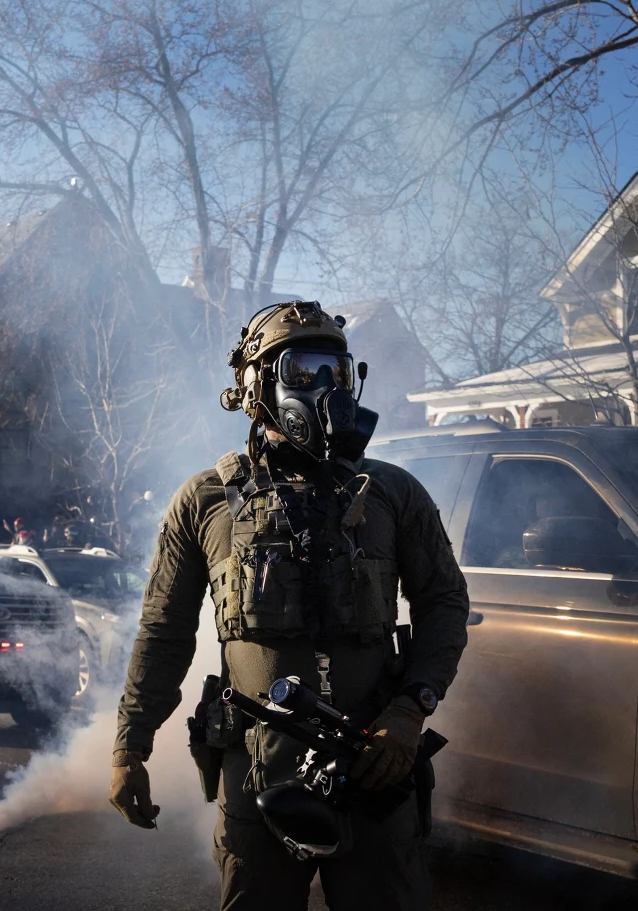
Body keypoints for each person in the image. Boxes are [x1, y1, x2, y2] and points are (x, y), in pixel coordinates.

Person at [108, 300, 470, 911]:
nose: (325, 388)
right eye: (303, 370)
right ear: (256, 386)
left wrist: (411, 711)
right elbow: (164, 632)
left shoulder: (392, 493)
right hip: (257, 774)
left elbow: (444, 603)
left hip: (375, 764)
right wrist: (130, 746)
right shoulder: (204, 501)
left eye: (336, 371)